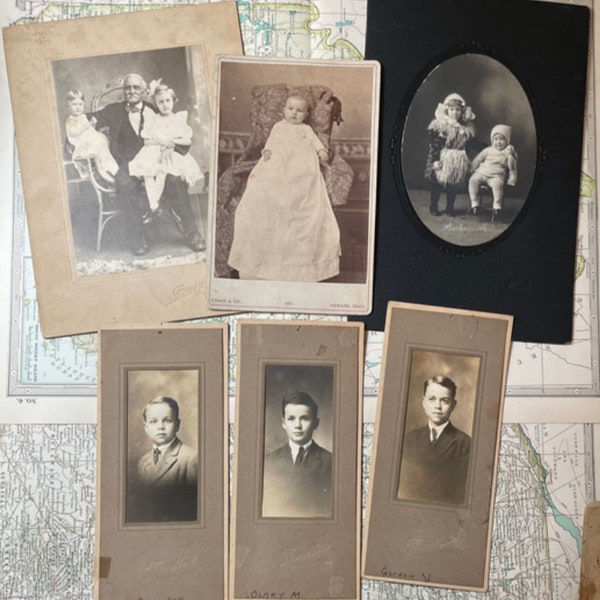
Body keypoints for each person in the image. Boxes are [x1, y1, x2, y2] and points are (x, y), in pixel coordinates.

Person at [227, 93, 341, 281]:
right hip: (279, 162)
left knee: (302, 184)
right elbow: (271, 144)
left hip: (301, 165)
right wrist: (268, 152)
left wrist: (321, 151)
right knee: (265, 183)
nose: (294, 113)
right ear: (284, 110)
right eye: (291, 109)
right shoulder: (278, 126)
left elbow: (315, 142)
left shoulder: (306, 129)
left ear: (306, 115)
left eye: (299, 111)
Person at [90, 73, 204, 256]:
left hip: (156, 161)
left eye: (136, 87)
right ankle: (137, 236)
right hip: (128, 164)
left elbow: (176, 132)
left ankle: (192, 232)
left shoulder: (155, 108)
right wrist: (78, 123)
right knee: (125, 183)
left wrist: (171, 148)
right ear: (124, 91)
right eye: (128, 88)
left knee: (175, 180)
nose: (132, 91)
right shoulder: (114, 110)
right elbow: (89, 119)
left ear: (143, 90)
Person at [129, 82, 204, 216]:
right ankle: (154, 206)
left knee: (163, 172)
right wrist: (161, 142)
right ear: (156, 103)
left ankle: (154, 205)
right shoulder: (153, 119)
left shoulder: (179, 118)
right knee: (148, 174)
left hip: (173, 155)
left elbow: (187, 140)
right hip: (153, 153)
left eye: (168, 100)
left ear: (174, 101)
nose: (165, 104)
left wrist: (171, 144)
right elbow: (146, 141)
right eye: (161, 102)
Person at [397, 375, 471, 505]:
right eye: (432, 399)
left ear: (453, 405)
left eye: (445, 401)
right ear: (423, 402)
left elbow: (462, 496)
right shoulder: (409, 439)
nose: (437, 406)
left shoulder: (465, 444)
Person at [127, 396, 198, 523]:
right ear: (146, 427)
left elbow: (193, 506)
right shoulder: (143, 462)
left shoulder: (190, 458)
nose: (161, 427)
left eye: (167, 420)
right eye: (154, 421)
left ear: (177, 425)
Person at [262, 391, 332, 518]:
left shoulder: (331, 462)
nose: (297, 425)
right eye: (291, 418)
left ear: (316, 423)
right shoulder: (268, 462)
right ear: (284, 423)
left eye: (304, 418)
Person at [424, 92, 476, 217]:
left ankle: (449, 208)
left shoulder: (465, 128)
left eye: (458, 110)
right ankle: (434, 206)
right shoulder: (441, 125)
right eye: (452, 109)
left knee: (453, 184)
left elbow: (472, 142)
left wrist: (488, 147)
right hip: (442, 157)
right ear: (447, 110)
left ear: (461, 111)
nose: (455, 113)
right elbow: (435, 145)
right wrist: (435, 160)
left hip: (457, 159)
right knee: (437, 183)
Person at [64, 89, 118, 183]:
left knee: (102, 141)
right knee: (99, 143)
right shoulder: (71, 120)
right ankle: (103, 170)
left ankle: (110, 168)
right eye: (74, 104)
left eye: (80, 104)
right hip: (81, 143)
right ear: (68, 105)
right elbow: (74, 133)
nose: (78, 108)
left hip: (89, 139)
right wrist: (88, 125)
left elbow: (90, 130)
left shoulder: (83, 117)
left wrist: (92, 125)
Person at [467, 124, 518, 221]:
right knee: (473, 180)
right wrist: (471, 169)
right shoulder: (488, 150)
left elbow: (512, 169)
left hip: (496, 176)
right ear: (492, 140)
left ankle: (497, 206)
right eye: (496, 139)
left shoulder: (508, 153)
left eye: (502, 139)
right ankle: (475, 203)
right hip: (481, 173)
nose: (498, 142)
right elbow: (477, 159)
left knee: (498, 185)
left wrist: (512, 180)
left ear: (507, 141)